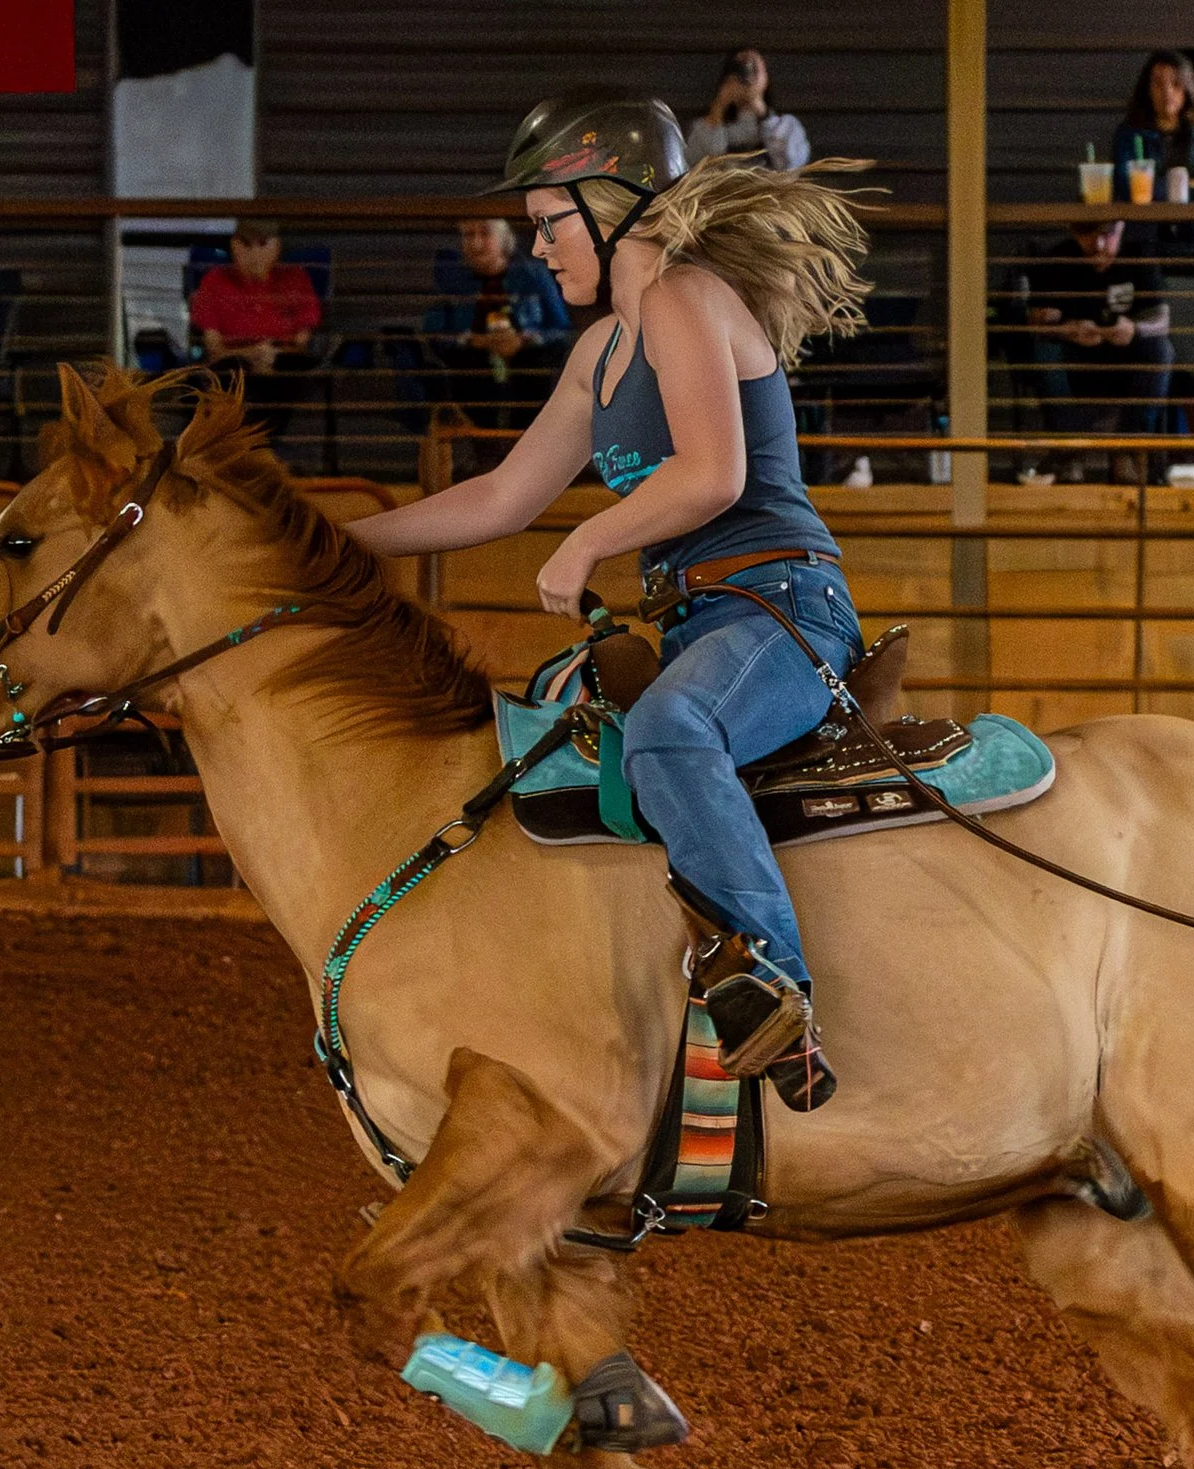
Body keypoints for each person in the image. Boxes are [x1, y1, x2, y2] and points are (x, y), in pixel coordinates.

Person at [346, 90, 867, 1113]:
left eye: (548, 222)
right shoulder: (600, 352)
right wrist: (336, 543)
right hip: (700, 619)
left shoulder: (683, 297)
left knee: (670, 731)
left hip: (780, 606)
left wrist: (589, 539)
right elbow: (501, 496)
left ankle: (777, 993)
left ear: (613, 202)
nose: (536, 247)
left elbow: (714, 475)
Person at [1020, 219, 1173, 478]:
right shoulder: (1060, 259)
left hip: (1127, 363)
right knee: (1045, 351)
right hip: (1076, 365)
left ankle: (1125, 448)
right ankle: (1068, 450)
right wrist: (1066, 329)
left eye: (1108, 235)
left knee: (1162, 350)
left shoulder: (1138, 255)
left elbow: (1161, 318)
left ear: (1122, 228)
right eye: (1087, 235)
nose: (1099, 245)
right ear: (1073, 231)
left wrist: (1134, 329)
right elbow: (1038, 321)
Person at [422, 217, 572, 434]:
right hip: (470, 377)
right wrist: (472, 340)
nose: (475, 243)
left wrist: (524, 340)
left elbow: (561, 329)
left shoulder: (533, 274)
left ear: (504, 239)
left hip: (529, 375)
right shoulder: (451, 279)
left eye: (484, 234)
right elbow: (433, 333)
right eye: (468, 235)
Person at [189, 218, 322, 441]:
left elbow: (302, 343)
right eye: (246, 244)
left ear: (277, 246)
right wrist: (252, 354)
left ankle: (255, 447)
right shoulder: (215, 281)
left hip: (283, 364)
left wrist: (270, 357)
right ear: (234, 246)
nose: (254, 254)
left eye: (263, 244)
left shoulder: (296, 279)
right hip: (234, 364)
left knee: (292, 373)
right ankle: (255, 448)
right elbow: (213, 349)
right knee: (231, 377)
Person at [1111, 49, 1194, 250]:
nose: (1167, 92)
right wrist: (1192, 187)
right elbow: (1128, 188)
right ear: (1147, 89)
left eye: (1176, 84)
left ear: (1187, 88)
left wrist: (1166, 191)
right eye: (1158, 84)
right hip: (1150, 241)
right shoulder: (1129, 134)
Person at [683, 48, 811, 171]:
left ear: (766, 77)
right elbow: (697, 166)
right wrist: (718, 108)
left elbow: (791, 165)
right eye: (738, 68)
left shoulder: (787, 126)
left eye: (753, 68)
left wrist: (761, 111)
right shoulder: (704, 127)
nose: (745, 75)